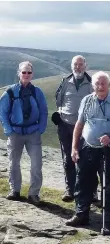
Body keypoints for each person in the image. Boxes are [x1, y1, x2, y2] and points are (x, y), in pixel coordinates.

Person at [65, 71, 110, 234]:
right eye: (97, 83)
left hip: (108, 151)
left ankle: (109, 222)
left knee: (109, 186)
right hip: (87, 148)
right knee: (82, 182)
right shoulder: (87, 100)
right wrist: (74, 148)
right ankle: (81, 214)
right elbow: (79, 124)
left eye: (103, 83)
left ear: (109, 85)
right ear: (93, 85)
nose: (100, 86)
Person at [0, 61, 48, 205]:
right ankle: (15, 191)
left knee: (36, 163)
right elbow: (3, 112)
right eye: (24, 72)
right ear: (19, 73)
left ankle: (34, 194)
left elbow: (44, 111)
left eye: (29, 72)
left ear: (32, 74)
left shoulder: (37, 92)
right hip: (15, 132)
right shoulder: (10, 92)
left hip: (33, 132)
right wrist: (8, 130)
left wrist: (41, 129)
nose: (26, 75)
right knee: (14, 163)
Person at [53, 55, 94, 202]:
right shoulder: (65, 82)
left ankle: (90, 191)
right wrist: (59, 114)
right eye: (75, 64)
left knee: (87, 159)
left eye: (81, 64)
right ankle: (70, 190)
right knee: (67, 159)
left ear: (85, 66)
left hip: (84, 127)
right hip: (65, 125)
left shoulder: (91, 83)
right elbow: (58, 100)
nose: (78, 67)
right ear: (72, 66)